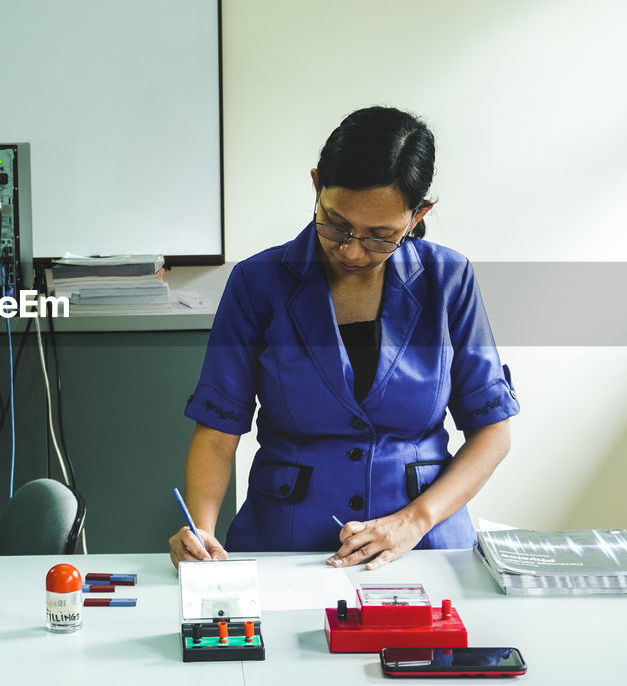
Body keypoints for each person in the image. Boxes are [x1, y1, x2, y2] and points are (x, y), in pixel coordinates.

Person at [169, 106, 518, 570]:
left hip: (425, 546)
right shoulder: (258, 282)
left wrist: (413, 521)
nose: (352, 250)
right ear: (317, 186)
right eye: (336, 224)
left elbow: (492, 432)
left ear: (419, 215)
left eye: (380, 236)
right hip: (285, 544)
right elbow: (217, 432)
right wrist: (202, 532)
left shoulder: (448, 279)